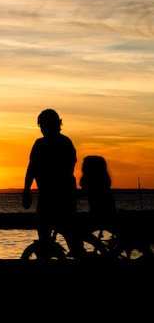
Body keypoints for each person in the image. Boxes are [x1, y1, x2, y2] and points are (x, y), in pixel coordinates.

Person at [22, 108, 85, 259]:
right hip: (54, 195)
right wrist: (26, 190)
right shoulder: (61, 143)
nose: (43, 129)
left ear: (55, 125)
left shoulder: (60, 143)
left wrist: (27, 190)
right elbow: (32, 168)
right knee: (54, 232)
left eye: (45, 125)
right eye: (41, 126)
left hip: (59, 196)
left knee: (62, 232)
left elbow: (33, 169)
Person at [79, 155, 117, 228]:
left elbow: (81, 194)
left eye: (84, 164)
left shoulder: (93, 183)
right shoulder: (102, 183)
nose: (82, 166)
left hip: (102, 216)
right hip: (107, 214)